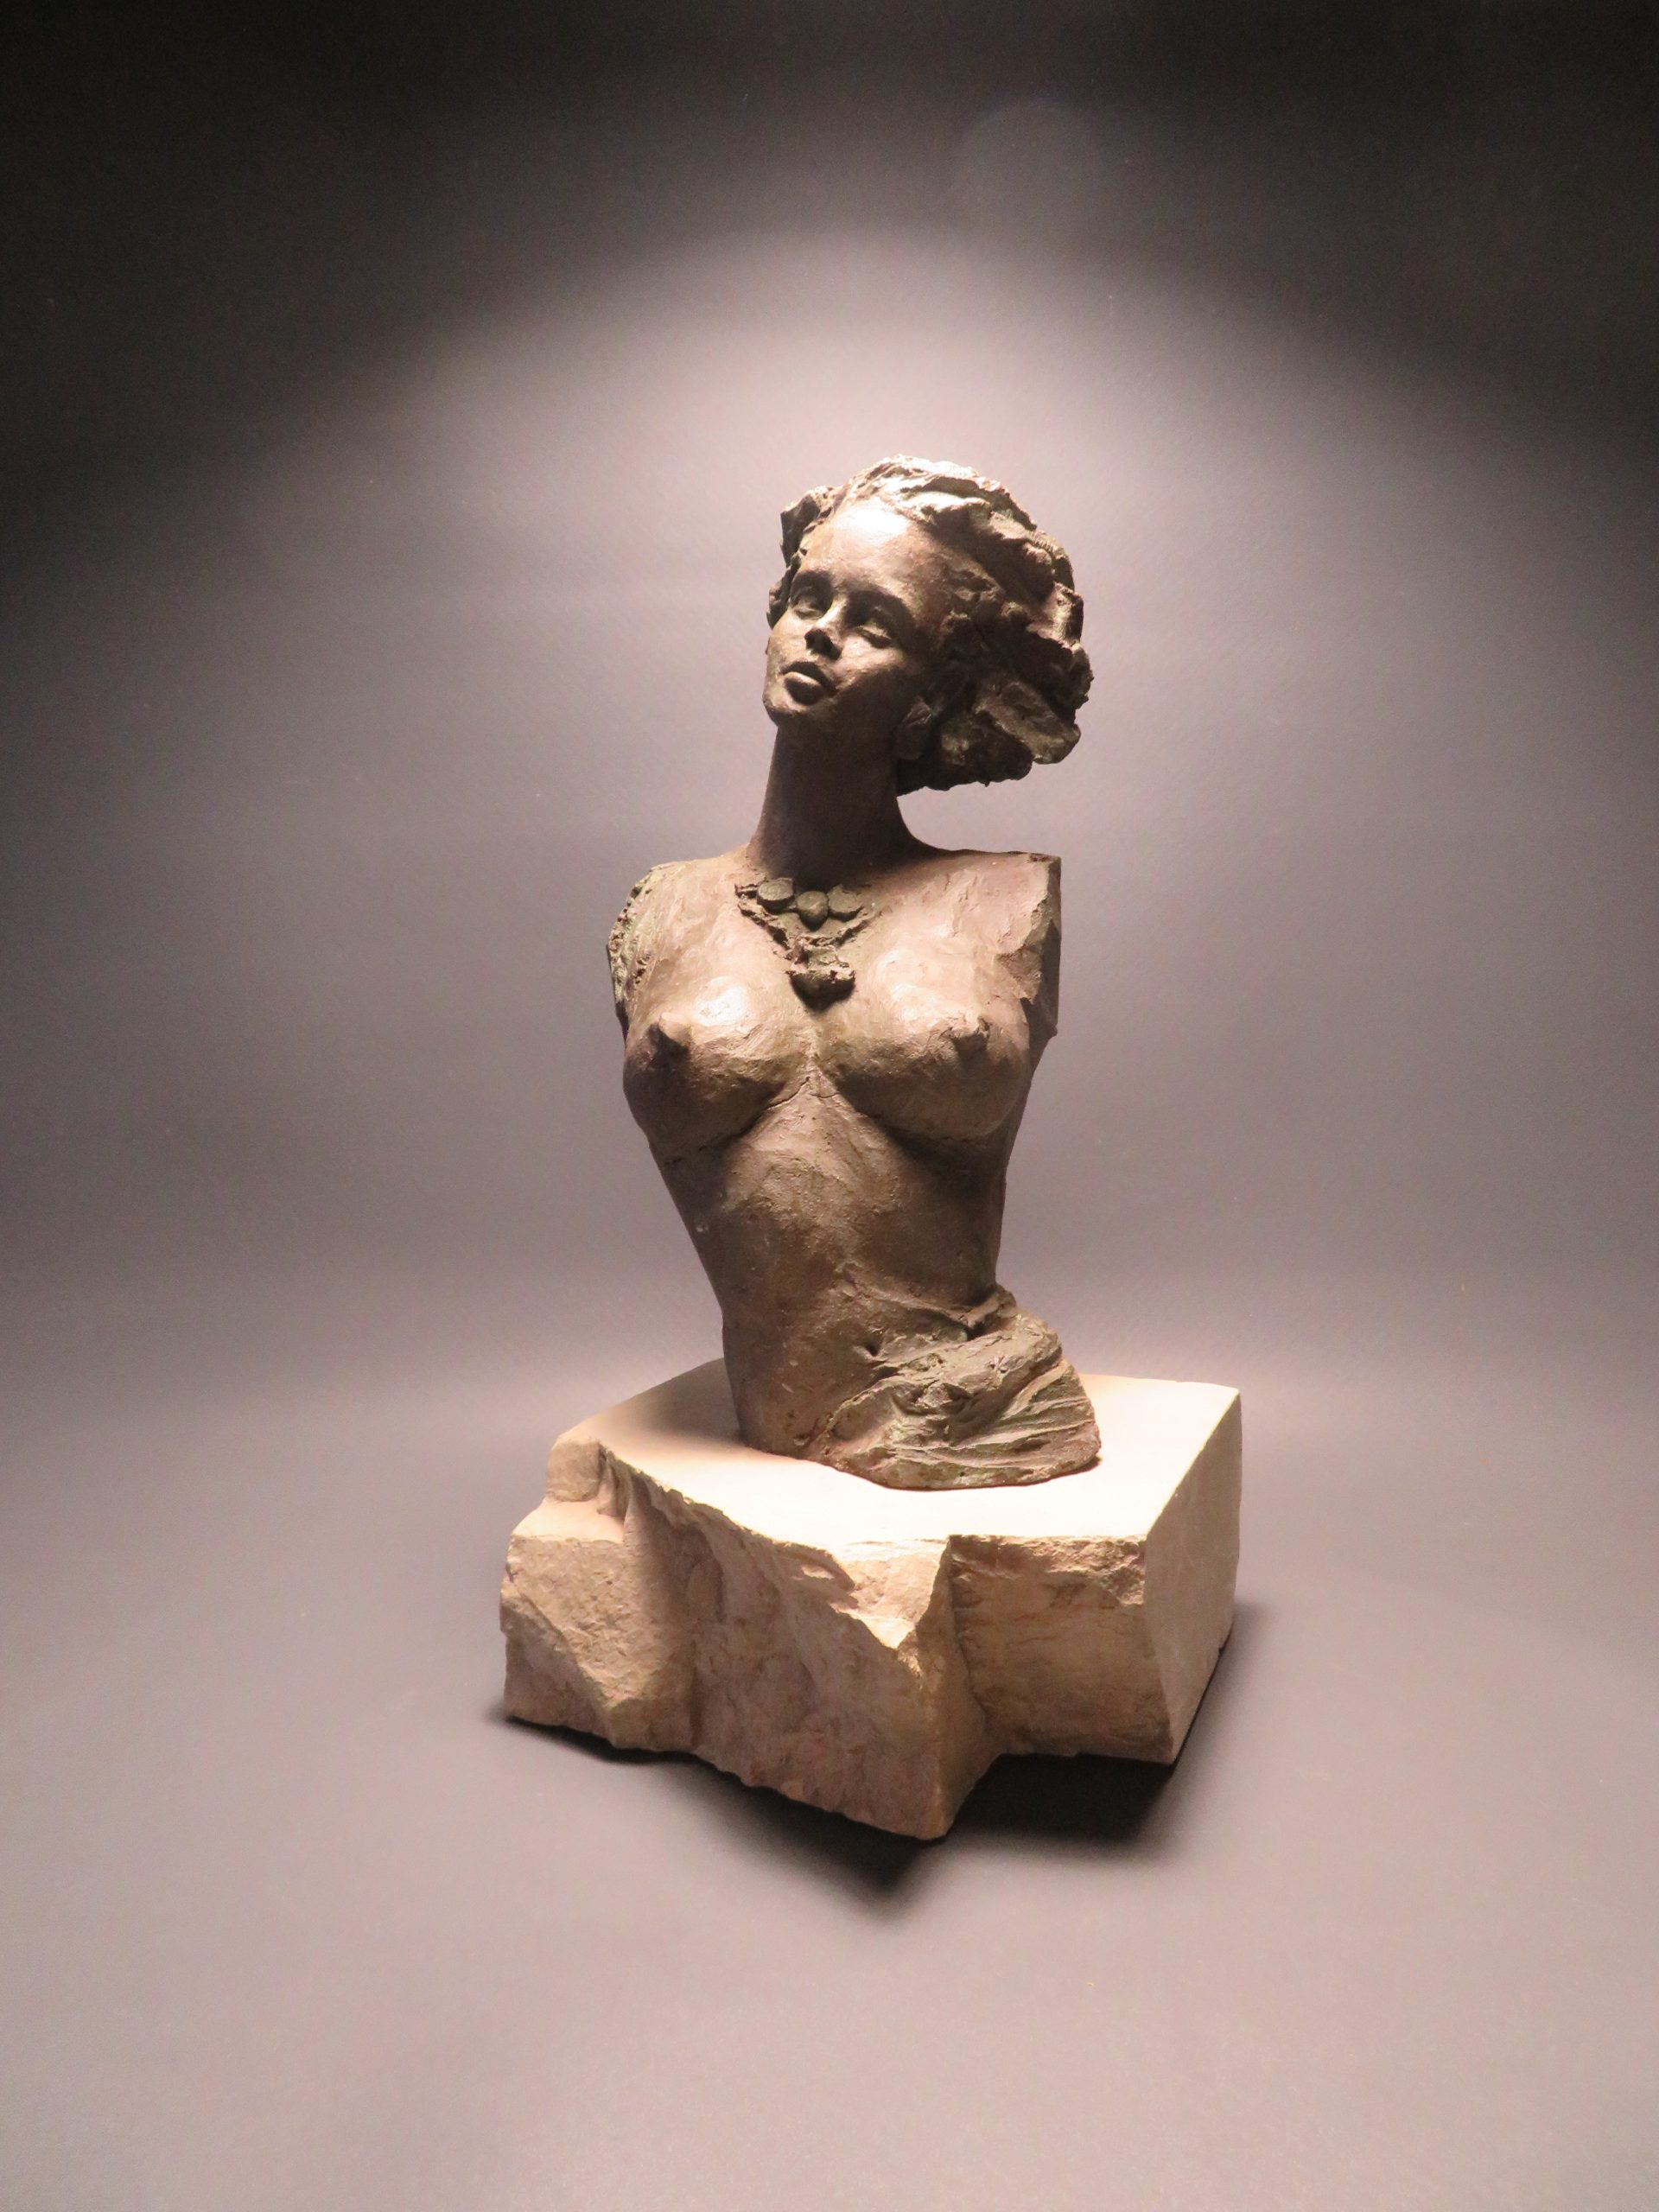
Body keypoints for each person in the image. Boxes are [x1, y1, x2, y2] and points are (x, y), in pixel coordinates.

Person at [608, 457, 1100, 1490]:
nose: (821, 634)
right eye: (807, 599)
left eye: (875, 622)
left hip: (982, 1410)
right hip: (771, 1402)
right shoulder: (663, 907)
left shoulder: (1006, 899)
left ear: (933, 693)